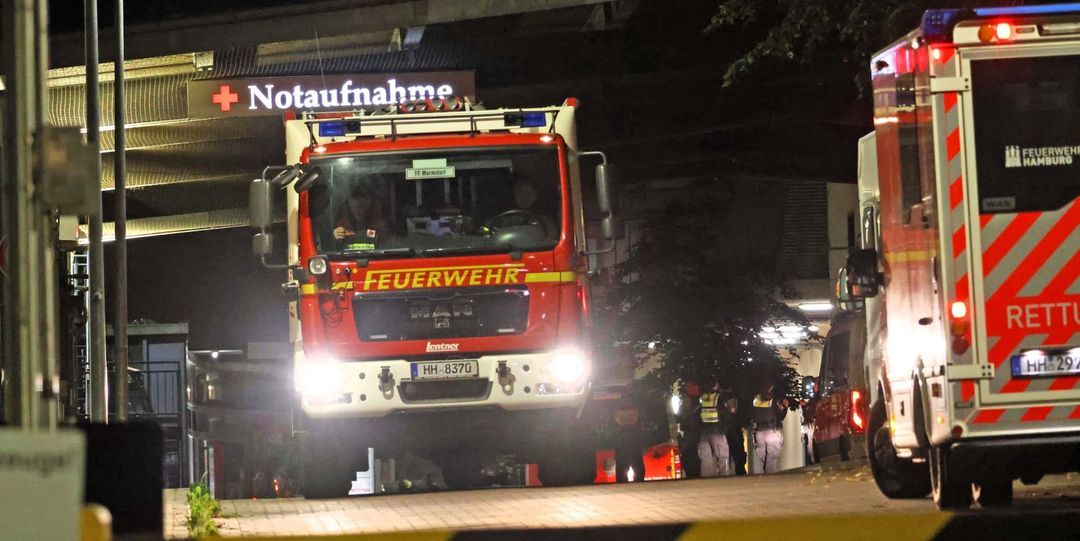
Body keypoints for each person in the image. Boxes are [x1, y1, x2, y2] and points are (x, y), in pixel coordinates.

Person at [697, 377, 737, 477]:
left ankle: (707, 483)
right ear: (715, 385)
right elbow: (727, 415)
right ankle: (724, 480)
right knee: (723, 457)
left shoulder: (701, 398)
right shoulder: (719, 398)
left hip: (704, 433)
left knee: (706, 460)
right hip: (718, 432)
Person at [751, 383, 788, 474]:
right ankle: (769, 477)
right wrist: (785, 408)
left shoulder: (756, 399)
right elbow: (780, 416)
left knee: (763, 457)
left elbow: (751, 414)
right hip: (772, 431)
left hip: (759, 431)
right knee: (771, 457)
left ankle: (766, 473)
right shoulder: (773, 400)